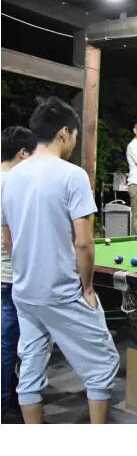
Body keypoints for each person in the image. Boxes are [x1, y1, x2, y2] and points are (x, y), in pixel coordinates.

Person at [1, 97, 120, 424]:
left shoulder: (10, 178)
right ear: (64, 133)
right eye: (76, 136)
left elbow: (9, 240)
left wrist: (25, 273)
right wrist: (88, 287)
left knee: (30, 368)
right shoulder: (73, 175)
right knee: (103, 365)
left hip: (24, 291)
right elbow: (83, 242)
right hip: (61, 290)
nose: (74, 143)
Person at [1, 126, 37, 424]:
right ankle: (5, 405)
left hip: (5, 274)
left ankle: (11, 396)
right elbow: (11, 236)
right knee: (8, 342)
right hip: (11, 275)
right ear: (23, 153)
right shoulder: (10, 183)